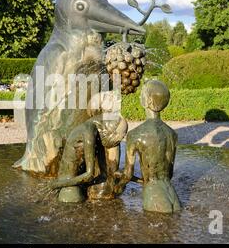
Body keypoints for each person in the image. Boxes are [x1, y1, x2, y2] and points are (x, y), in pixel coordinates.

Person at [114, 80, 181, 213]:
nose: (140, 97)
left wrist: (117, 187)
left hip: (154, 196)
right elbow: (169, 173)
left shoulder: (135, 134)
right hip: (173, 195)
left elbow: (127, 174)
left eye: (142, 94)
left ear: (148, 101)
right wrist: (142, 181)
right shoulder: (172, 134)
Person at [50, 92, 128, 203]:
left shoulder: (96, 131)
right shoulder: (89, 132)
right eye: (119, 136)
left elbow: (111, 169)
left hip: (78, 183)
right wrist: (55, 185)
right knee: (71, 212)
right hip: (69, 187)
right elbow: (89, 175)